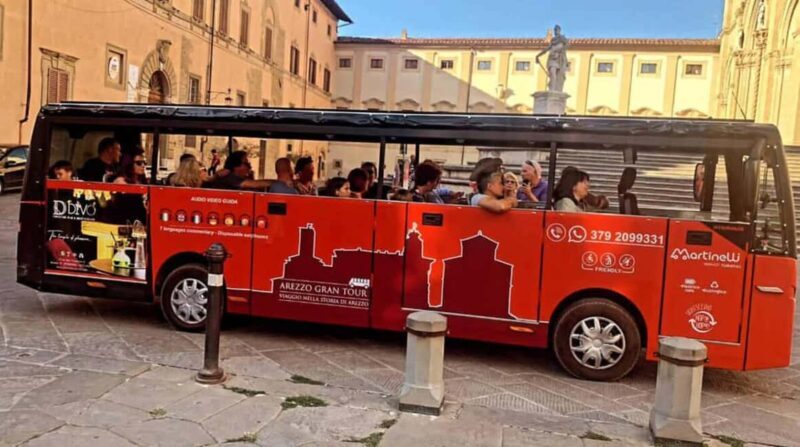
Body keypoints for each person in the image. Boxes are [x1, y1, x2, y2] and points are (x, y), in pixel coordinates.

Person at [203, 150, 270, 190]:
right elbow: (254, 184)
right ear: (236, 166)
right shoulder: (229, 177)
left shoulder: (239, 178)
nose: (250, 166)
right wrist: (275, 183)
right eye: (246, 163)